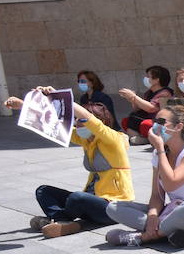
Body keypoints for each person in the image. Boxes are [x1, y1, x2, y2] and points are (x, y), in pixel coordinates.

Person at [104, 105, 184, 249]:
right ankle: (168, 231)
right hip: (174, 210)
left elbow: (172, 184)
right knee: (113, 207)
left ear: (178, 127)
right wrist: (152, 216)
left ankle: (144, 237)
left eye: (161, 122)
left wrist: (159, 149)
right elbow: (157, 195)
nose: (155, 126)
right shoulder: (160, 154)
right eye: (154, 121)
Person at [10, 94, 133, 237]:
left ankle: (60, 220)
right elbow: (52, 125)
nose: (77, 124)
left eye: (81, 120)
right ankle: (63, 221)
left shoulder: (114, 139)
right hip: (91, 202)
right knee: (43, 191)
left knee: (77, 197)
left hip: (113, 208)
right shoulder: (86, 140)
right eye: (76, 120)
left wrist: (59, 96)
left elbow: (90, 118)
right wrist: (24, 106)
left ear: (100, 121)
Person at [117, 67, 173, 143]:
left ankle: (147, 139)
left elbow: (152, 108)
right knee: (127, 120)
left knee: (146, 124)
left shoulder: (165, 93)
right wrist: (132, 99)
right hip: (145, 118)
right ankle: (140, 138)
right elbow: (137, 109)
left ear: (157, 79)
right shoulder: (148, 93)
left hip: (160, 121)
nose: (145, 78)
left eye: (148, 76)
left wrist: (134, 97)